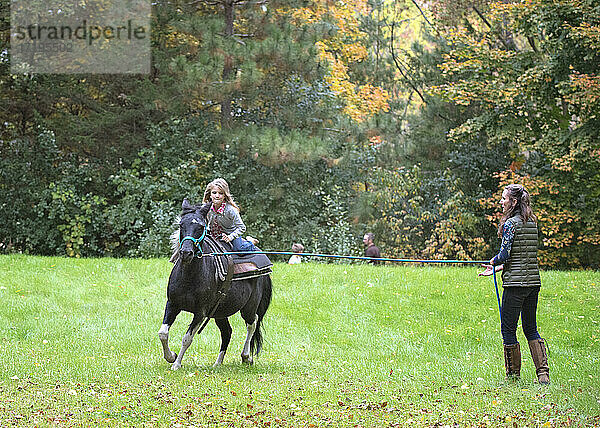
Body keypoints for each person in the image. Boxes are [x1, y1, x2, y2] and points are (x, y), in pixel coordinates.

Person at [484, 183, 549, 384]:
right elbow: (522, 257)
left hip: (515, 286)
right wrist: (496, 268)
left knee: (508, 328)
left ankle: (513, 376)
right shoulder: (532, 222)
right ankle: (543, 374)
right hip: (533, 283)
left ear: (513, 202)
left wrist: (494, 260)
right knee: (530, 327)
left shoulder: (511, 224)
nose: (501, 202)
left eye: (504, 199)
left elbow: (505, 255)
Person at [202, 178, 259, 253]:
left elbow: (242, 227)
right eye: (214, 193)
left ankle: (251, 242)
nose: (217, 196)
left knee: (239, 249)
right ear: (210, 195)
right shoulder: (206, 208)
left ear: (225, 195)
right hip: (213, 234)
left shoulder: (231, 210)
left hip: (230, 234)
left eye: (221, 193)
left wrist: (230, 237)